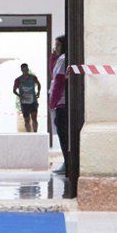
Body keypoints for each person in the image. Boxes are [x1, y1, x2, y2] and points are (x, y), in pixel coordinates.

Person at [49, 36, 69, 175]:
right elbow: (53, 73)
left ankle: (68, 163)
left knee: (63, 134)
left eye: (58, 45)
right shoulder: (60, 59)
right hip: (60, 102)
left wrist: (53, 102)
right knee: (62, 132)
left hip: (62, 102)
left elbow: (59, 82)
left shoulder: (63, 59)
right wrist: (52, 56)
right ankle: (66, 162)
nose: (55, 48)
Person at [13, 63, 41, 132]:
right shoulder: (18, 80)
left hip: (33, 101)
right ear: (22, 70)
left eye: (26, 69)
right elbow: (14, 90)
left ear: (28, 69)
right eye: (24, 69)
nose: (25, 70)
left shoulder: (33, 77)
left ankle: (35, 132)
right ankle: (29, 134)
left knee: (34, 118)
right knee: (26, 119)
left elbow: (39, 84)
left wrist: (38, 92)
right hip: (24, 102)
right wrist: (20, 96)